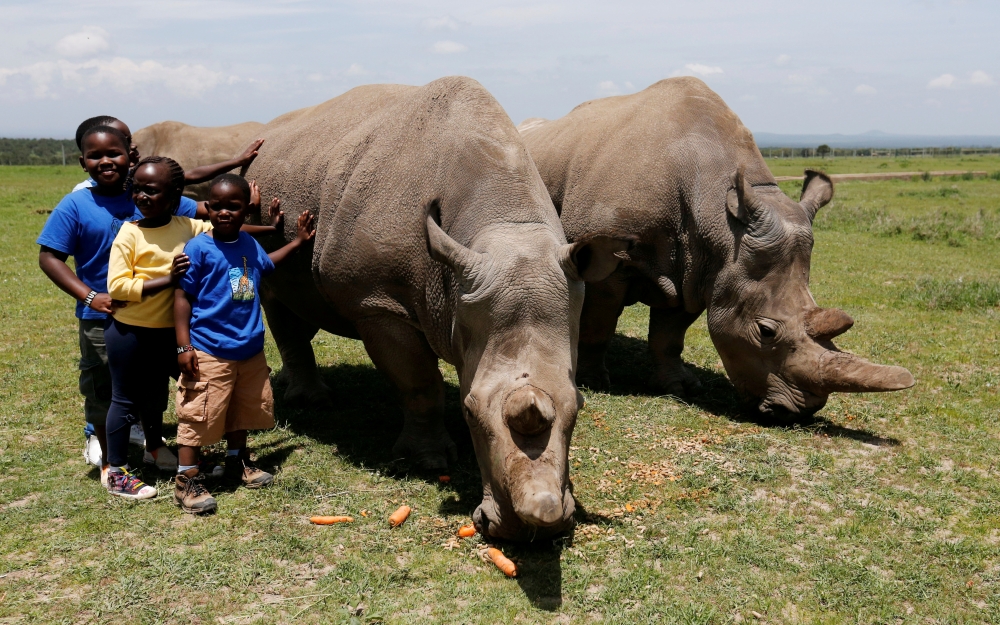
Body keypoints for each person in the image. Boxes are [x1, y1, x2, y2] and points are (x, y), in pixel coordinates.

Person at [103, 159, 282, 500]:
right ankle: (117, 471)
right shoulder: (129, 233)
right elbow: (118, 288)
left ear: (174, 198)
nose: (140, 195)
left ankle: (160, 451)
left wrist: (268, 228)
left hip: (173, 331)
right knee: (126, 400)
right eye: (136, 189)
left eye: (150, 190)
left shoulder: (189, 226)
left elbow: (229, 234)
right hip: (132, 331)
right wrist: (168, 279)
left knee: (198, 391)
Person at [37, 125, 204, 482]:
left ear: (132, 155)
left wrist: (241, 207)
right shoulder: (77, 204)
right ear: (83, 163)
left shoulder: (146, 192)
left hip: (155, 316)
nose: (106, 161)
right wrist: (89, 295)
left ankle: (154, 446)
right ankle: (104, 453)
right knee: (105, 388)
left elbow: (202, 213)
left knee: (153, 386)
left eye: (114, 153)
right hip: (101, 315)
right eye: (95, 156)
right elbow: (49, 256)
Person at [172, 174, 315, 514]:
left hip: (249, 348)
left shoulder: (249, 245)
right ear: (207, 209)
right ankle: (186, 479)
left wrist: (296, 242)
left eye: (233, 207)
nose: (224, 212)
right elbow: (181, 297)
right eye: (216, 206)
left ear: (245, 211)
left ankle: (236, 461)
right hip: (210, 348)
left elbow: (266, 265)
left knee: (242, 409)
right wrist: (183, 346)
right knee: (198, 414)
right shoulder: (198, 248)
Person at [71, 114, 265, 219]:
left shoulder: (139, 186)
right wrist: (89, 294)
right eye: (124, 141)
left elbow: (187, 177)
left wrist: (237, 163)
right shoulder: (80, 199)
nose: (133, 145)